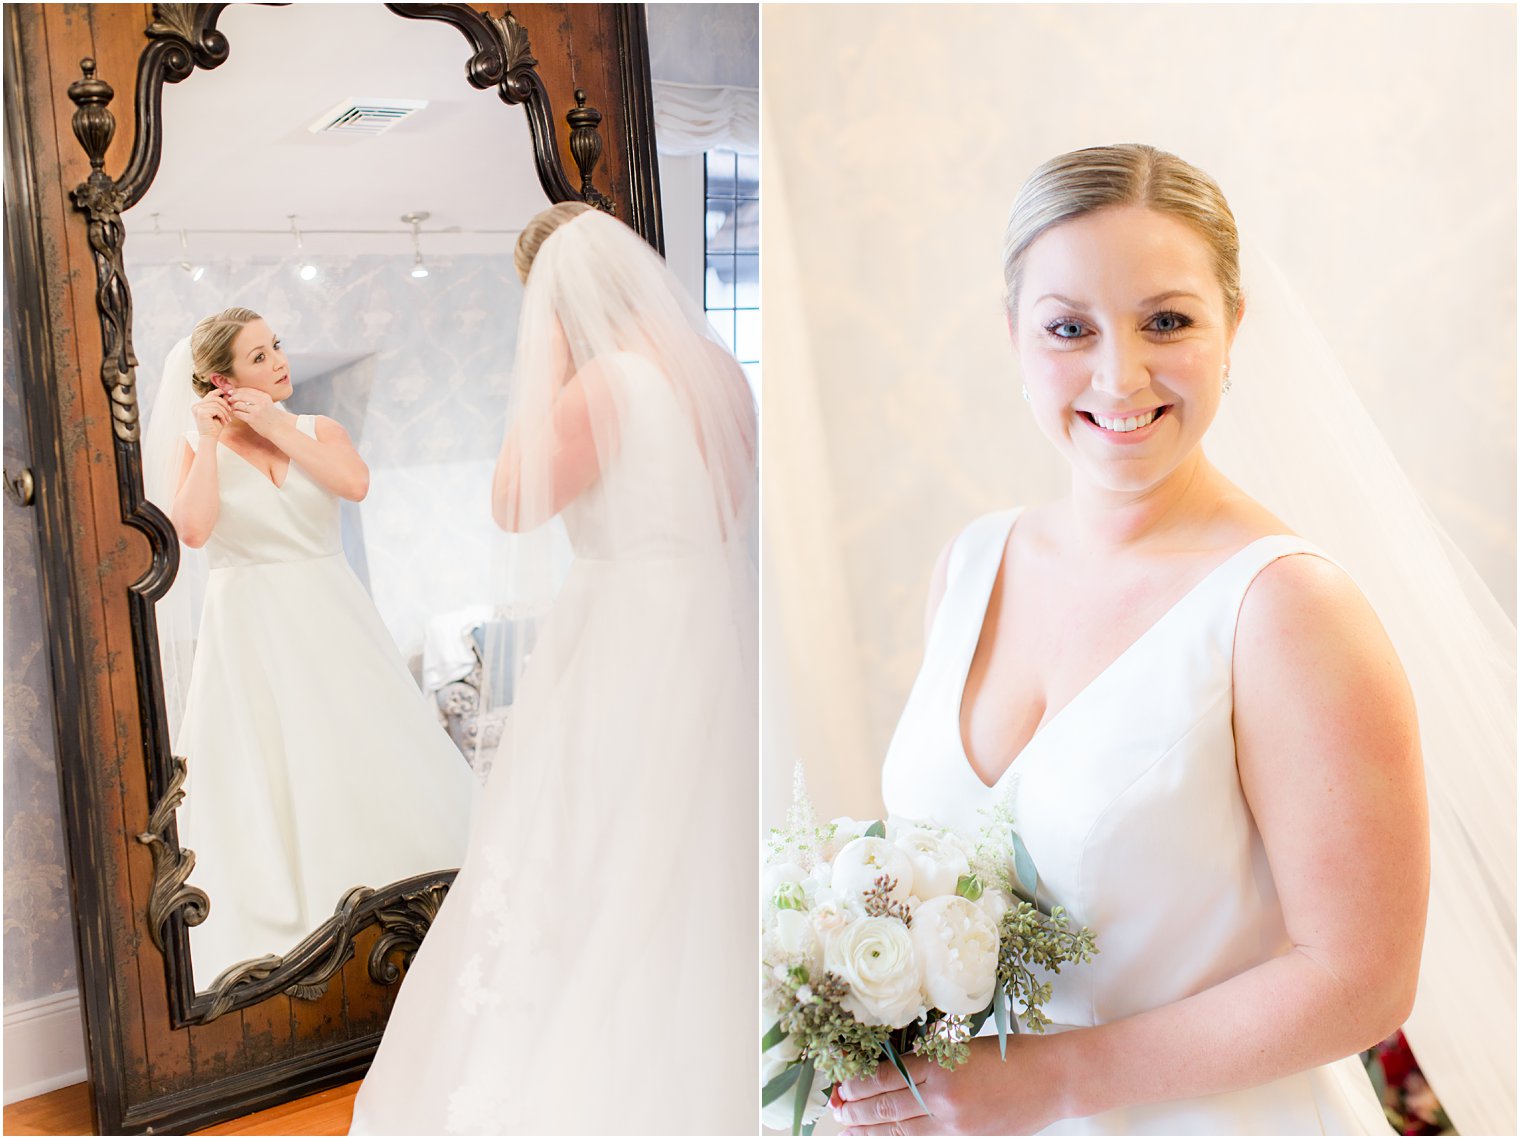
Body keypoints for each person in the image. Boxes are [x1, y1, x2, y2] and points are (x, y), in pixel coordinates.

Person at [830, 145, 1513, 1135]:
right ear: (1014, 335)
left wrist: (1050, 1080)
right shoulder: (968, 564)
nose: (1119, 374)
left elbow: (1360, 978)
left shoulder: (1285, 608)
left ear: (1231, 328)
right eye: (1069, 327)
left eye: (1166, 321)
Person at [348, 203, 759, 1135]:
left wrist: (548, 376)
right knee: (696, 831)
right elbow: (734, 505)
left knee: (593, 836)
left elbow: (511, 504)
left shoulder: (603, 383)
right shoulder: (721, 372)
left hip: (624, 626)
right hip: (713, 618)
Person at [143, 309, 475, 986]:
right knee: (270, 769)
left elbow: (353, 484)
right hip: (249, 630)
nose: (279, 362)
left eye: (277, 347)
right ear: (219, 379)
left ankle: (403, 927)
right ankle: (294, 947)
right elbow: (195, 532)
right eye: (258, 357)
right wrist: (208, 444)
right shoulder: (193, 442)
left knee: (365, 753)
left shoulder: (318, 429)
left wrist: (274, 425)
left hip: (332, 616)